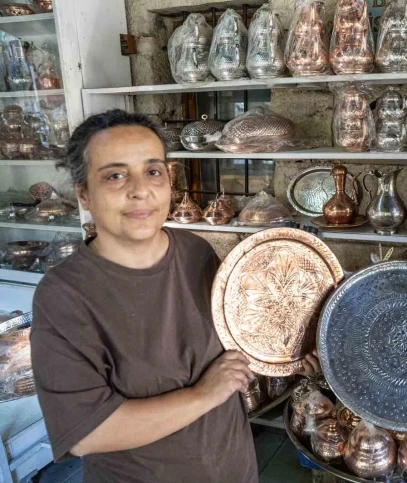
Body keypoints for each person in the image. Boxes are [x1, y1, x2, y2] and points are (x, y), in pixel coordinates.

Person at [29, 110, 320, 483]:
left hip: (233, 468)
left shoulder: (196, 253)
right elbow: (88, 432)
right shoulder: (64, 296)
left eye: (153, 171)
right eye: (115, 175)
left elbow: (238, 342)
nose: (141, 189)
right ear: (83, 192)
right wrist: (204, 395)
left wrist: (289, 353)